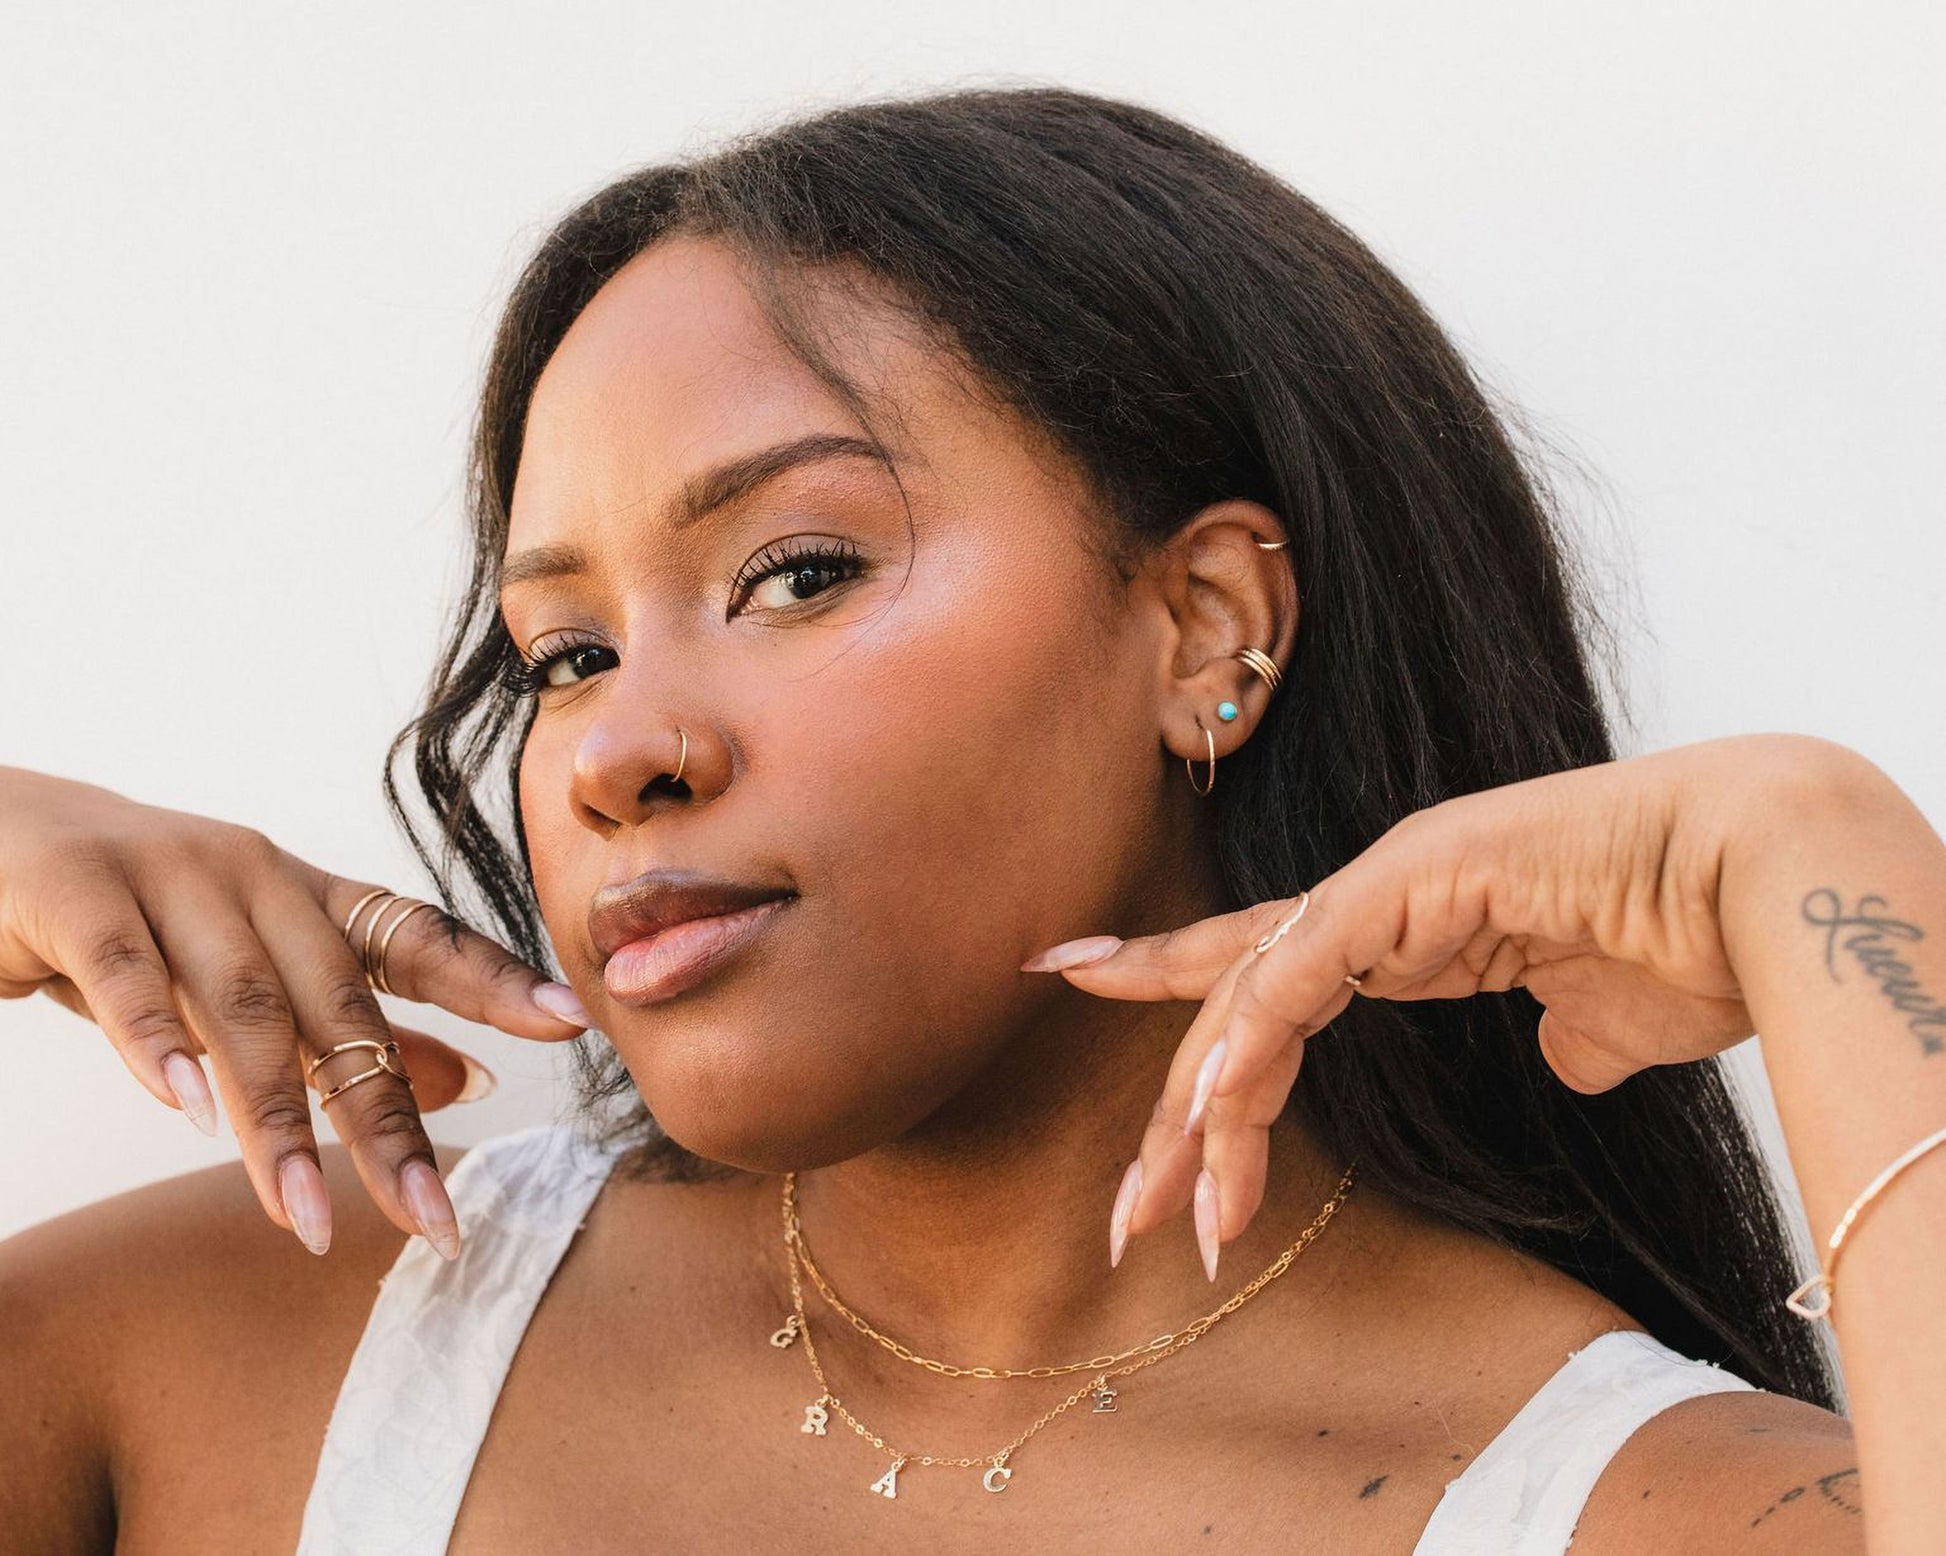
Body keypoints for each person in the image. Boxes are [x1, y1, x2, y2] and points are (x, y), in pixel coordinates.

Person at [2, 85, 1938, 1552]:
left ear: (1207, 630)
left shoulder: (1657, 1506)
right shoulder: (237, 1353)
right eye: (563, 653)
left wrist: (1821, 864)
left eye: (798, 570)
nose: (614, 754)